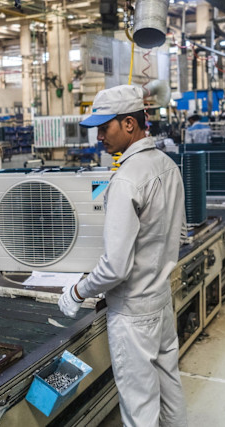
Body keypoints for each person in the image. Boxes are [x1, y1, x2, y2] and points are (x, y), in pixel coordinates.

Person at [57, 85, 188, 427]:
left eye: (105, 127)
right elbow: (182, 233)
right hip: (160, 300)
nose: (99, 136)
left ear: (129, 124)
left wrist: (77, 291)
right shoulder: (167, 165)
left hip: (132, 315)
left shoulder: (127, 179)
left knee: (139, 409)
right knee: (170, 390)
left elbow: (115, 267)